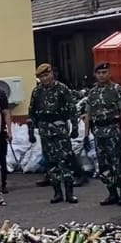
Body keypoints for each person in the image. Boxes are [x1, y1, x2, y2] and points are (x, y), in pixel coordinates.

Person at [28, 63, 79, 204]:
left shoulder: (62, 89)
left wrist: (74, 128)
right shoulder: (37, 92)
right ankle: (57, 192)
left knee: (64, 160)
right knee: (51, 162)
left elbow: (72, 109)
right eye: (41, 77)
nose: (45, 79)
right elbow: (31, 113)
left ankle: (69, 193)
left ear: (52, 74)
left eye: (46, 75)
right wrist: (31, 132)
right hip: (45, 130)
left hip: (60, 129)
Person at [83, 62, 121, 206]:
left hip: (113, 130)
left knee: (118, 163)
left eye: (104, 72)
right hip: (99, 132)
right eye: (99, 73)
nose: (101, 75)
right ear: (95, 75)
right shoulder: (92, 92)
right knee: (104, 164)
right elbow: (88, 113)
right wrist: (86, 134)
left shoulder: (116, 90)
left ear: (109, 73)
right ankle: (112, 193)